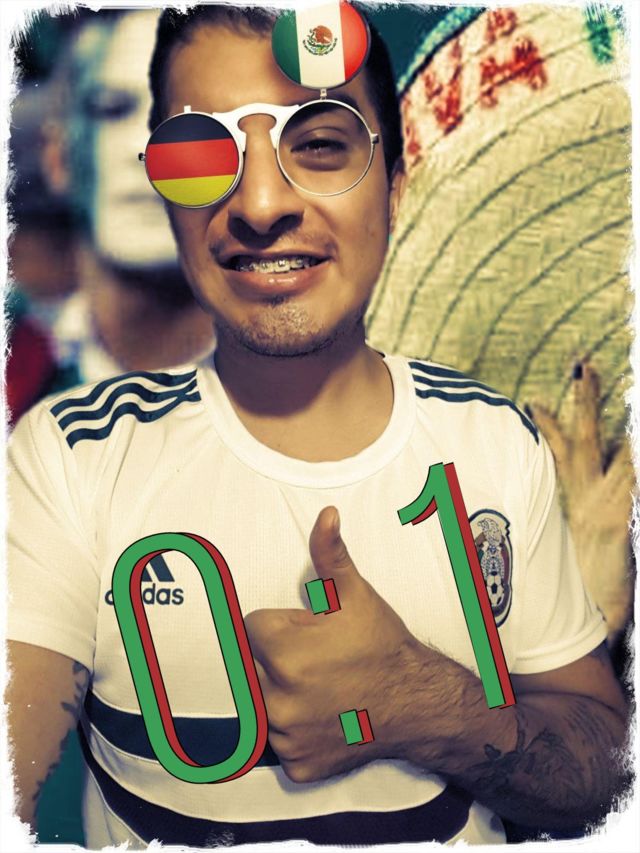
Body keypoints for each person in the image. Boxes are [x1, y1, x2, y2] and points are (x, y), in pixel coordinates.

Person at [6, 5, 629, 848]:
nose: (261, 202)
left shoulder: (496, 442)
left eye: (322, 146)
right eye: (202, 153)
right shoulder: (68, 455)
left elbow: (597, 782)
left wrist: (427, 706)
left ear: (395, 188)